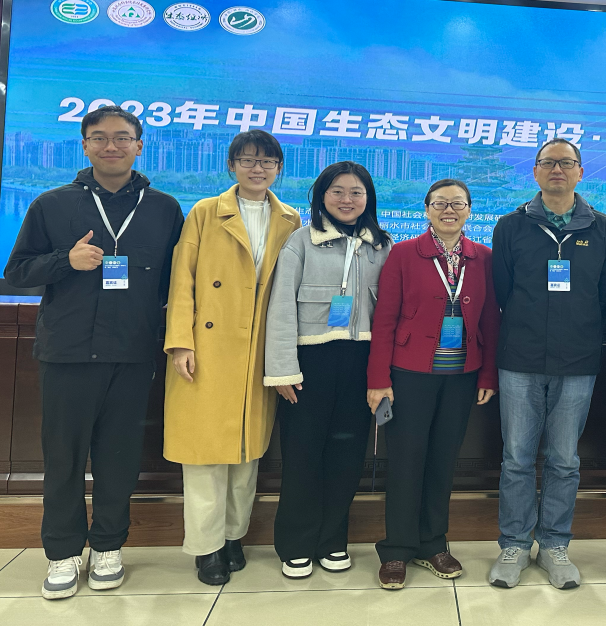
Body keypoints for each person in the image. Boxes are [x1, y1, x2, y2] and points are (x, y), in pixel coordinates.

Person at [4, 105, 184, 600]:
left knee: (119, 457)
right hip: (68, 353)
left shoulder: (164, 208)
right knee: (63, 458)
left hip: (133, 353)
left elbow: (176, 283)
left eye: (122, 137)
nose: (111, 146)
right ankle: (63, 553)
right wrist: (66, 260)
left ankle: (107, 546)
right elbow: (17, 272)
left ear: (139, 145)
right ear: (84, 145)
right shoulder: (52, 204)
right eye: (100, 137)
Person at [163, 130, 301, 586]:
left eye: (266, 162)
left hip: (259, 350)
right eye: (247, 160)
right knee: (205, 455)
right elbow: (182, 279)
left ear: (278, 168)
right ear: (231, 165)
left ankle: (232, 536)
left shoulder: (290, 218)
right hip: (208, 348)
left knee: (246, 453)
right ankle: (206, 548)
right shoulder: (205, 212)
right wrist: (181, 341)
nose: (257, 169)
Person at [488, 137, 606, 590]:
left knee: (565, 459)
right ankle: (514, 543)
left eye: (566, 163)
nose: (557, 170)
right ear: (535, 172)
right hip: (520, 358)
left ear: (580, 172)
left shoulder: (602, 228)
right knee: (516, 458)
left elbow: (604, 292)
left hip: (578, 360)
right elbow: (503, 290)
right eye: (548, 163)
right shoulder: (511, 226)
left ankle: (554, 544)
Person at [366, 179, 500, 590]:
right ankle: (396, 549)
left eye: (457, 203)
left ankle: (433, 543)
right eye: (440, 203)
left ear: (469, 210)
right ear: (426, 210)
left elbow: (491, 322)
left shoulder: (483, 258)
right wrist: (378, 379)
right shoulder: (404, 253)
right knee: (406, 461)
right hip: (410, 373)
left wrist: (488, 374)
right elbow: (384, 319)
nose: (449, 210)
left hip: (461, 376)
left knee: (443, 461)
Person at [264, 161, 392, 578]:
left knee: (347, 455)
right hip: (309, 363)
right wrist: (283, 370)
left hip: (360, 363)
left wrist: (384, 374)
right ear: (322, 196)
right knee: (302, 454)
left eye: (356, 192)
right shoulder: (300, 241)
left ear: (368, 198)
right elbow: (281, 307)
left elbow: (390, 314)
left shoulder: (382, 246)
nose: (347, 200)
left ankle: (333, 540)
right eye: (337, 191)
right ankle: (296, 543)